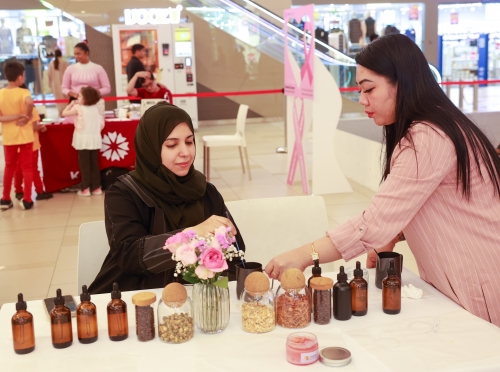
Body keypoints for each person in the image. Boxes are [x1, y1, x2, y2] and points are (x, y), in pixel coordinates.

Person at [265, 34, 500, 327]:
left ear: (401, 83)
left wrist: (304, 254)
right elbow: (421, 201)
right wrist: (394, 232)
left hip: (479, 278)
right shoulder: (437, 124)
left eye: (369, 89)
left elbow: (372, 223)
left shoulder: (427, 137)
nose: (362, 100)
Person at [88, 103, 245, 294]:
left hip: (195, 303)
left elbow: (236, 252)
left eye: (189, 142)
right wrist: (191, 234)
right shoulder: (124, 193)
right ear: (151, 148)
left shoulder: (204, 191)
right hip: (135, 300)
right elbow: (129, 255)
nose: (185, 152)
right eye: (171, 145)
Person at [0, 62, 35, 210]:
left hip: (9, 136)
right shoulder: (23, 92)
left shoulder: (1, 93)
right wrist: (25, 116)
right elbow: (30, 102)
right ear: (20, 77)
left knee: (9, 167)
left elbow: (1, 118)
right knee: (27, 168)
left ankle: (5, 198)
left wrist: (14, 116)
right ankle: (27, 199)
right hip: (25, 135)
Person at [61, 86, 104, 197]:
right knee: (94, 164)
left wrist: (70, 104)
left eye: (79, 96)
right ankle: (96, 187)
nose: (78, 98)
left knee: (84, 165)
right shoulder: (96, 108)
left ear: (85, 99)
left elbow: (64, 113)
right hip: (94, 140)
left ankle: (85, 188)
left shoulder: (79, 108)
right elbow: (101, 124)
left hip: (83, 140)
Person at [14, 84, 53, 201]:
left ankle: (18, 191)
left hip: (16, 142)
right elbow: (34, 127)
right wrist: (41, 127)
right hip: (31, 143)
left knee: (18, 168)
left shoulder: (12, 110)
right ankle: (39, 190)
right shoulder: (32, 110)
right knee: (32, 168)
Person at [48, 49, 68, 116]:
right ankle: (65, 112)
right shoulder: (64, 62)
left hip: (55, 84)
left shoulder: (51, 63)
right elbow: (68, 73)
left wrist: (50, 84)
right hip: (64, 83)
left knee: (58, 99)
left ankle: (60, 113)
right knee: (65, 99)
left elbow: (49, 75)